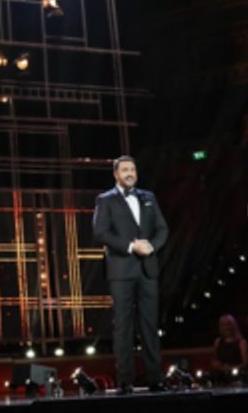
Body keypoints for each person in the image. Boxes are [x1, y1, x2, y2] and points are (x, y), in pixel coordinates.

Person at [92, 154, 170, 394]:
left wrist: (151, 246)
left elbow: (162, 229)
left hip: (147, 269)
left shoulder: (148, 197)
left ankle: (156, 379)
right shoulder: (105, 200)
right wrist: (130, 246)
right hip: (121, 270)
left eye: (132, 170)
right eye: (124, 170)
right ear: (116, 174)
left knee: (150, 324)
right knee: (123, 326)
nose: (129, 174)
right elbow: (100, 232)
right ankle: (125, 381)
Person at [212, 314, 248, 379]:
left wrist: (228, 368)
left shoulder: (241, 342)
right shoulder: (218, 341)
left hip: (237, 376)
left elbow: (245, 364)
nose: (226, 327)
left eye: (228, 324)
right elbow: (215, 360)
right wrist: (216, 364)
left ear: (233, 325)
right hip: (220, 376)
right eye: (223, 325)